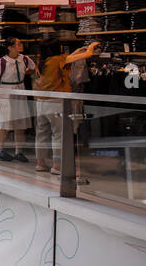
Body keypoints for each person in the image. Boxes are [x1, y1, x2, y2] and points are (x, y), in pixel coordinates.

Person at [33, 40, 99, 174]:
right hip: (56, 101)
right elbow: (81, 57)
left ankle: (40, 163)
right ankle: (57, 165)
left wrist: (77, 51)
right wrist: (90, 49)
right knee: (59, 134)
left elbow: (68, 59)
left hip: (41, 102)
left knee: (42, 133)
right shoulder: (58, 60)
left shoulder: (42, 62)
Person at [0, 37, 37, 162]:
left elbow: (34, 68)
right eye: (18, 43)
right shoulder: (1, 62)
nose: (21, 45)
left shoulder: (25, 59)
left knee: (20, 124)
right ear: (10, 47)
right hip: (5, 93)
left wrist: (23, 74)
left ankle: (19, 152)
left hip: (20, 91)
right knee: (4, 123)